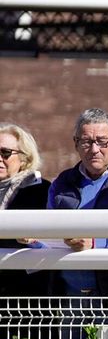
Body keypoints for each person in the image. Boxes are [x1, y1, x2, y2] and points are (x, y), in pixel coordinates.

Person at [47, 108, 108, 301]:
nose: (94, 150)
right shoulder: (62, 182)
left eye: (102, 141)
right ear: (75, 143)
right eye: (86, 142)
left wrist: (96, 243)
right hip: (70, 297)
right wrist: (35, 239)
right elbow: (49, 233)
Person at [0, 123, 52, 298]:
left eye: (5, 153)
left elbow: (53, 243)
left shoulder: (42, 190)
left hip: (25, 296)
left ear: (24, 158)